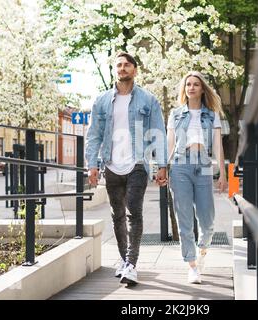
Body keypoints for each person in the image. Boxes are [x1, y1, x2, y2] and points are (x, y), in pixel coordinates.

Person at [86, 52, 168, 285]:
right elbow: (94, 135)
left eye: (127, 65)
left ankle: (131, 263)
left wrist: (162, 165)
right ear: (115, 70)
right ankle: (124, 260)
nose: (122, 68)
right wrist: (92, 164)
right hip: (111, 165)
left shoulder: (148, 100)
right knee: (117, 215)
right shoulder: (101, 101)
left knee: (134, 212)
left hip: (137, 164)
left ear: (135, 69)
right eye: (119, 65)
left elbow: (158, 133)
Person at [167, 71, 227, 284]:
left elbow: (218, 145)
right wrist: (163, 168)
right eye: (188, 84)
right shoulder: (175, 114)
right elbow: (169, 144)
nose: (191, 87)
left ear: (202, 89)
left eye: (196, 84)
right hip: (180, 165)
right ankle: (191, 265)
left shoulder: (212, 115)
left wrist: (223, 173)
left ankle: (202, 251)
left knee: (208, 220)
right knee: (184, 218)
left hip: (203, 164)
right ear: (184, 89)